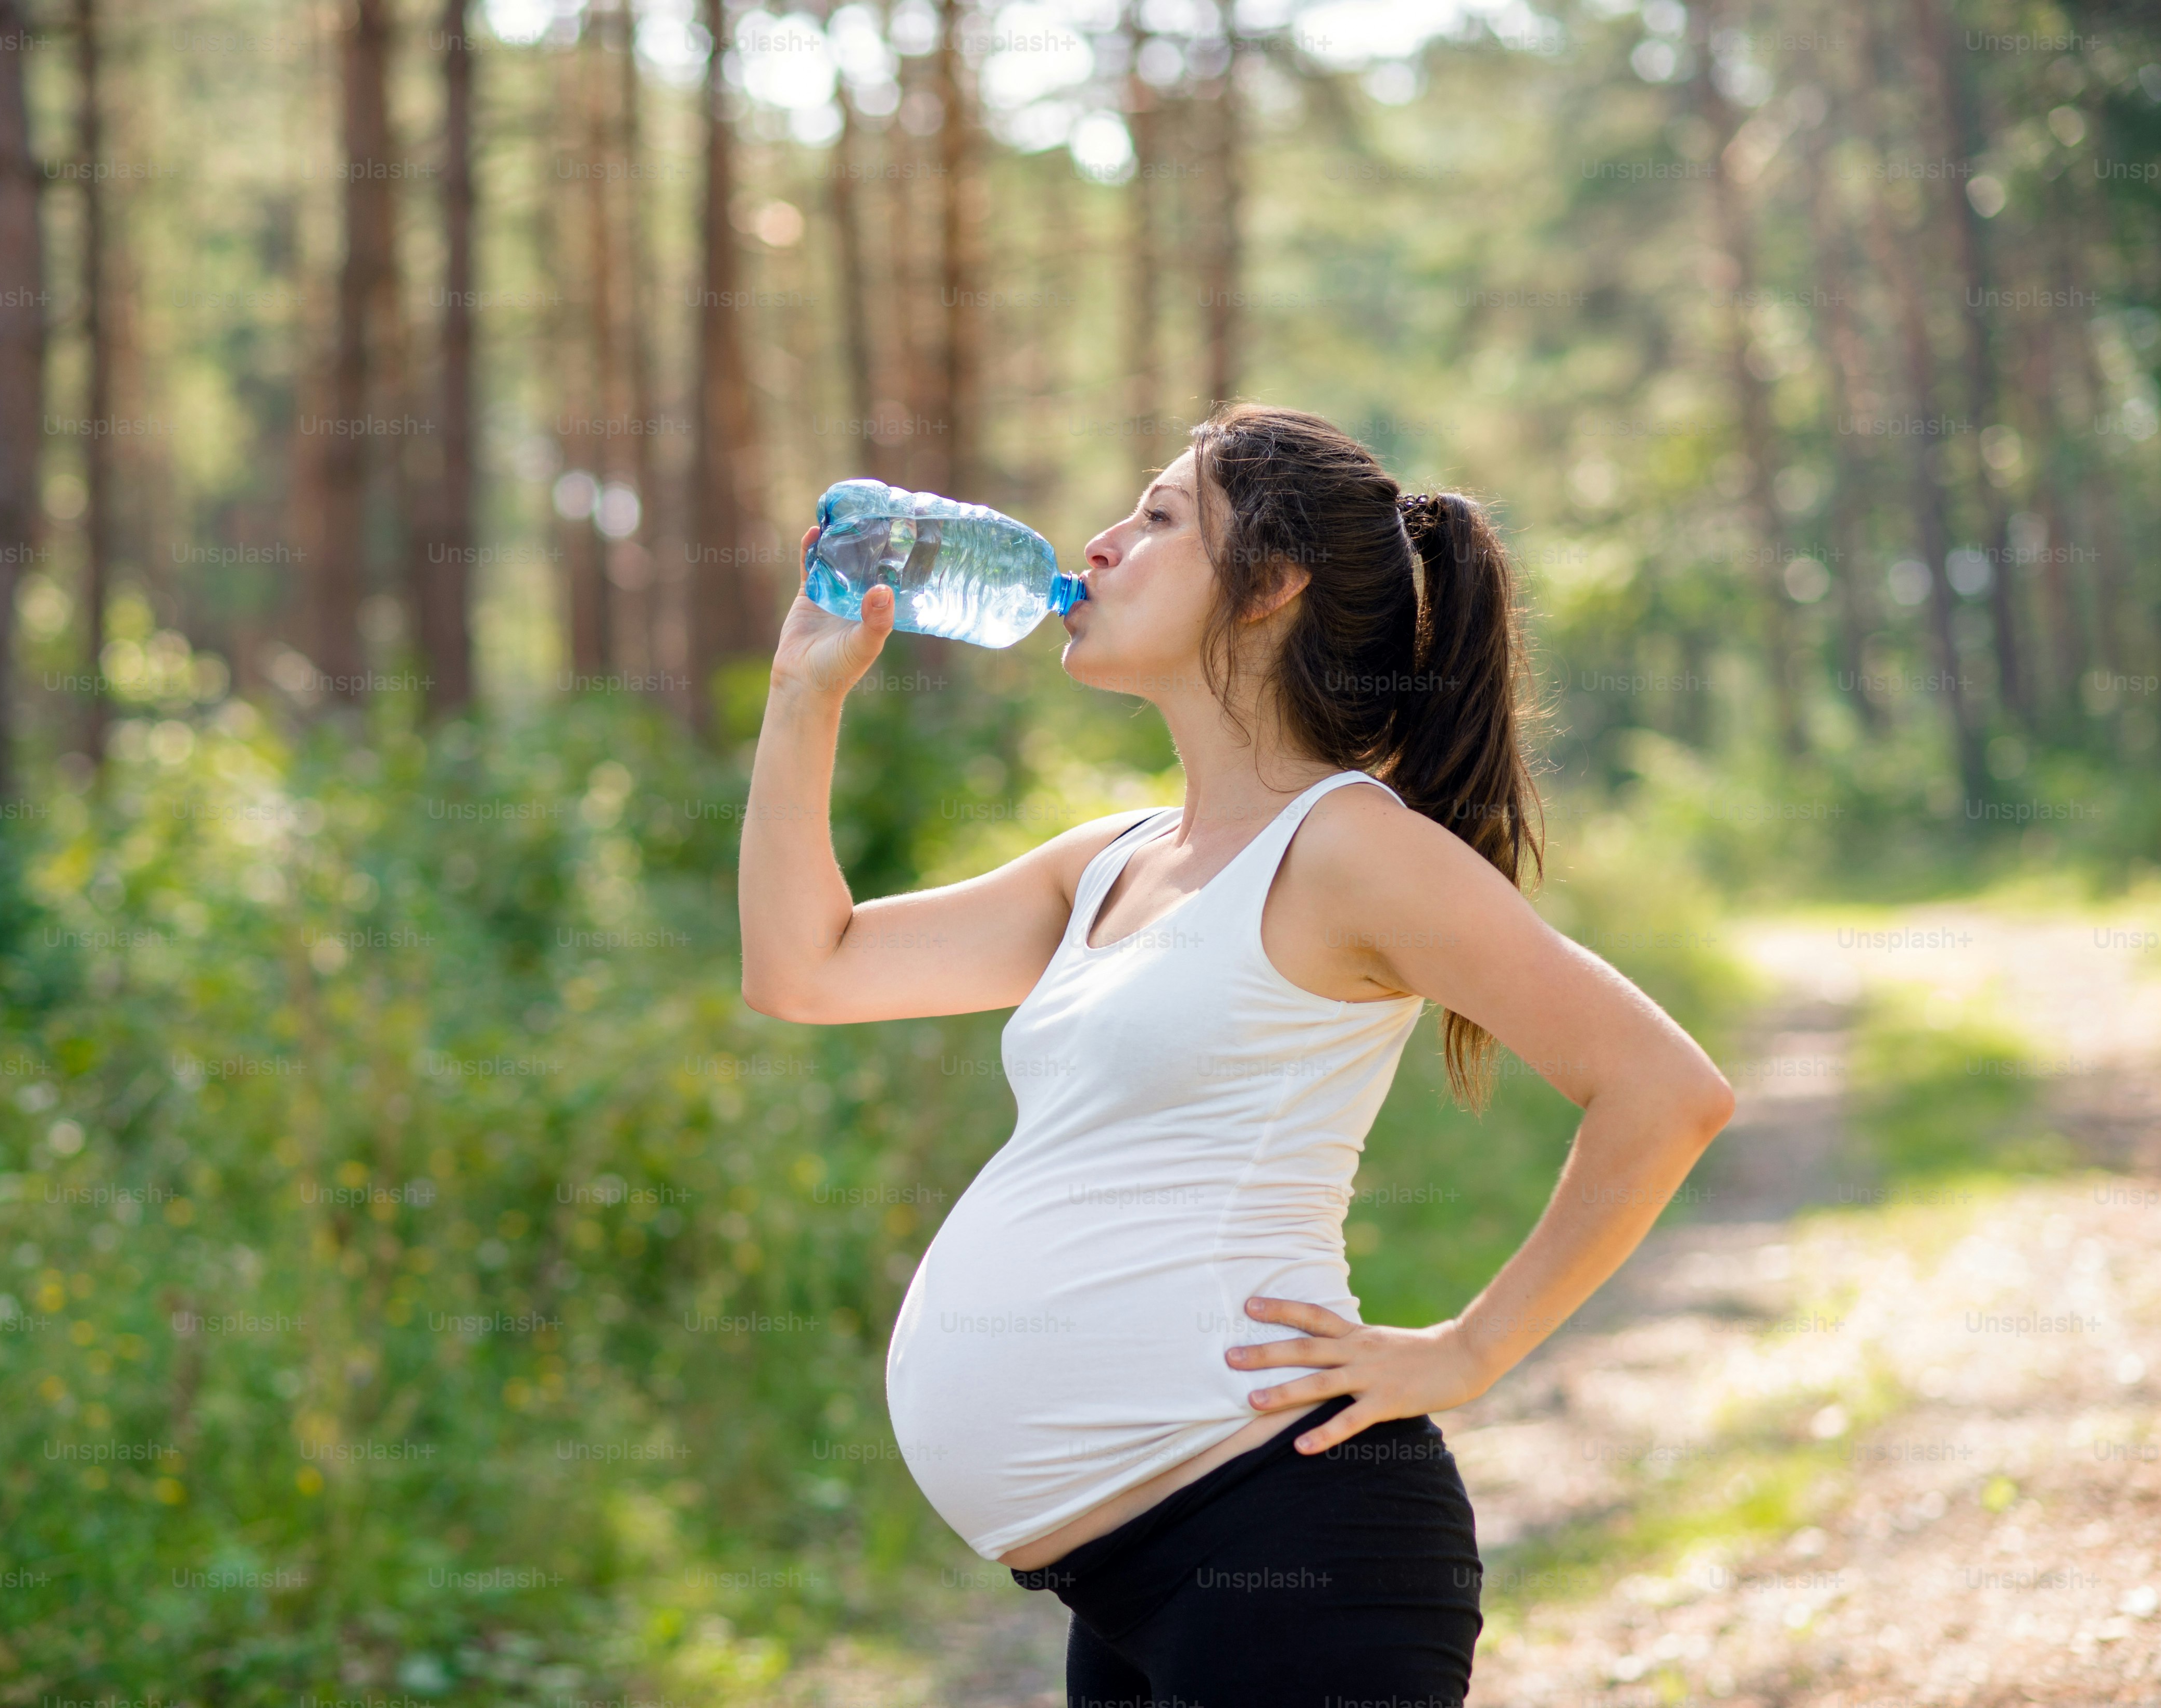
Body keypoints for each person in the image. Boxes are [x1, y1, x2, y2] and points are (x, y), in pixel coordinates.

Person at [736, 405, 1734, 1707]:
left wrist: (1469, 1349)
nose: (1094, 545)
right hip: (1131, 1582)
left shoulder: (1349, 850)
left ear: (1269, 586)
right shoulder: (1110, 859)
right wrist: (801, 696)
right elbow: (803, 970)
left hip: (1292, 1546)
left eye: (1154, 518)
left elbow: (1665, 1090)